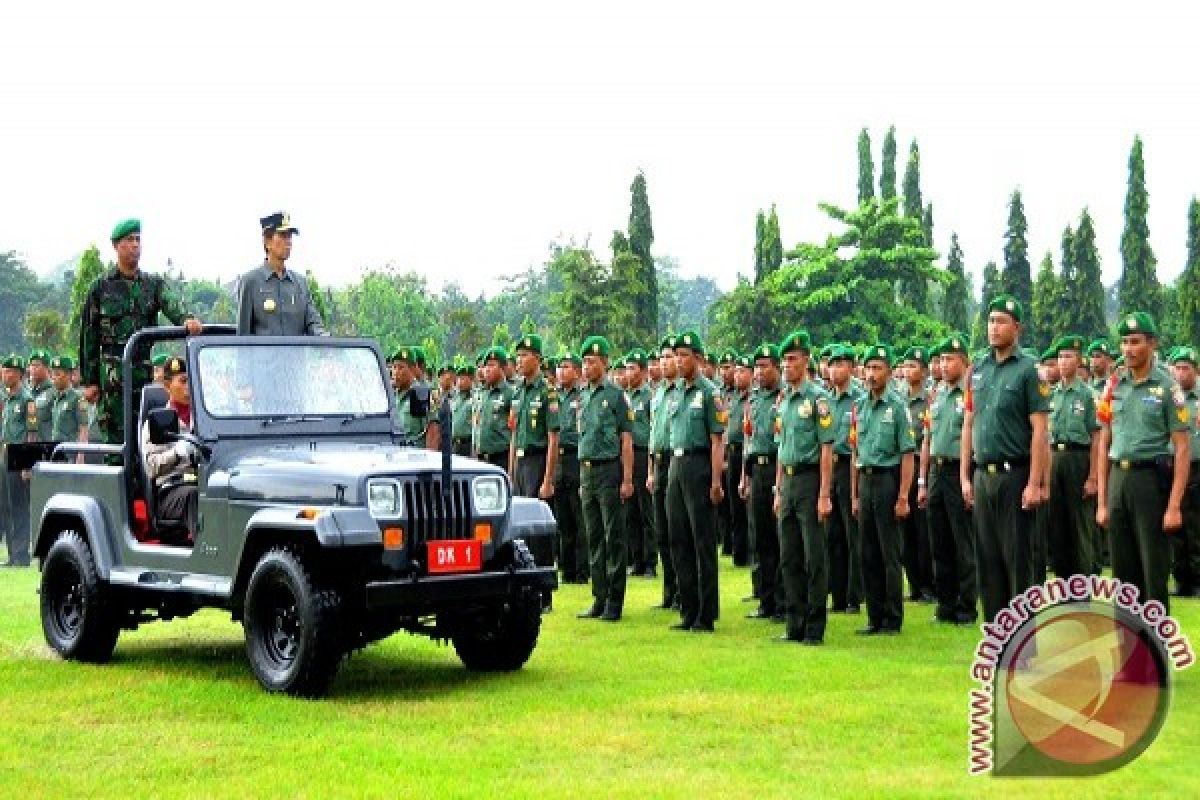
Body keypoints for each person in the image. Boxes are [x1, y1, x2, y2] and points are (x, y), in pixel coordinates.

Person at [960, 295, 1049, 624]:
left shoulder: (1029, 370)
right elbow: (969, 423)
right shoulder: (978, 369)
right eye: (990, 320)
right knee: (988, 560)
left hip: (1016, 475)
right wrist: (965, 477)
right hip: (984, 476)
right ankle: (996, 640)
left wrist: (1035, 483)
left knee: (1018, 562)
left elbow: (1040, 430)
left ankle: (1023, 645)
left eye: (1001, 322)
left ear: (1017, 328)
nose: (993, 327)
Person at [1096, 312, 1189, 613]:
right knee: (1123, 577)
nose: (1128, 349)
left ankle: (1157, 652)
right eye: (1124, 342)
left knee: (1153, 571)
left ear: (1152, 344)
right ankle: (1128, 652)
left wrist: (1174, 505)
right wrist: (1102, 501)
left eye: (1135, 342)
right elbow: (1104, 442)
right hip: (1118, 480)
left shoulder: (1167, 387)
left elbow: (1182, 448)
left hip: (1151, 482)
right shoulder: (1113, 385)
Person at [80, 219, 201, 445]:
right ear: (116, 246)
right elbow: (89, 335)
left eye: (138, 240)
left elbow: (172, 304)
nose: (135, 245)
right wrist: (91, 381)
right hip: (113, 376)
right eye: (129, 240)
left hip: (143, 372)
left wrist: (187, 319)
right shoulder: (101, 287)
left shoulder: (152, 284)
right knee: (117, 440)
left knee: (146, 434)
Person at [773, 331, 835, 644]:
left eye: (792, 360)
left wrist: (824, 494)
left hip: (811, 481)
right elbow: (781, 449)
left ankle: (814, 626)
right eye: (784, 360)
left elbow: (827, 449)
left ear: (805, 361)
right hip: (788, 482)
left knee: (814, 556)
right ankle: (793, 624)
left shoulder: (818, 398)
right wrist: (777, 489)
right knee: (790, 556)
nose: (787, 365)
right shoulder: (783, 401)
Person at [851, 344, 915, 634]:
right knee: (867, 551)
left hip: (888, 480)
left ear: (888, 372)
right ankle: (873, 616)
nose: (872, 374)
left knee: (889, 552)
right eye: (868, 368)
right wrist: (854, 494)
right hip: (865, 480)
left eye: (878, 368)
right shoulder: (860, 406)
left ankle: (892, 617)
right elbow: (854, 452)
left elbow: (907, 454)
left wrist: (903, 496)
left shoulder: (898, 406)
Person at [666, 331, 726, 632]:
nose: (679, 360)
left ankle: (706, 613)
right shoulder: (675, 391)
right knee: (678, 540)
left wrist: (716, 481)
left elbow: (717, 441)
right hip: (675, 465)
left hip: (699, 464)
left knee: (702, 542)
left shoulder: (710, 393)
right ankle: (687, 610)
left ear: (699, 359)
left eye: (685, 355)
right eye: (676, 355)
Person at [918, 335, 977, 625]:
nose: (944, 365)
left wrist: (968, 477)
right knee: (938, 540)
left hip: (958, 470)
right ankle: (945, 604)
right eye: (941, 360)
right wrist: (922, 480)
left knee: (962, 541)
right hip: (936, 472)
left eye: (950, 359)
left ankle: (966, 606)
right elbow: (927, 439)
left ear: (964, 362)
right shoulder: (937, 395)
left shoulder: (971, 394)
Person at [575, 336, 634, 622]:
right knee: (594, 537)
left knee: (614, 537)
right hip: (586, 472)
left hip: (609, 470)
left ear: (605, 363)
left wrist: (627, 478)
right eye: (584, 362)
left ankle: (615, 600)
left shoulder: (616, 395)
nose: (587, 367)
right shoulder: (583, 395)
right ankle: (598, 597)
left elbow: (626, 439)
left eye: (593, 362)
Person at [1045, 335, 1100, 578]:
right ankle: (1063, 584)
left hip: (1079, 459)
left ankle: (1082, 587)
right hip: (1055, 458)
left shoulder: (1087, 395)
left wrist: (1094, 476)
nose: (1063, 362)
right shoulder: (1050, 394)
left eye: (1068, 357)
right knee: (1057, 526)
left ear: (1079, 362)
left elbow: (1097, 437)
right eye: (1060, 357)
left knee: (1080, 527)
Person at [740, 344, 784, 620]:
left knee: (781, 540)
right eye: (756, 367)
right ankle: (765, 600)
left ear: (777, 368)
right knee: (761, 538)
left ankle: (783, 601)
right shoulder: (753, 400)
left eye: (765, 366)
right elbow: (748, 439)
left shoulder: (785, 397)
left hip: (778, 468)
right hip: (757, 468)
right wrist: (744, 478)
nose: (759, 372)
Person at [235, 212, 326, 336]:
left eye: (290, 237)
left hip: (296, 355)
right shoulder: (250, 282)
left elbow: (313, 323)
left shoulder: (300, 283)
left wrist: (324, 338)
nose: (288, 242)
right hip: (263, 355)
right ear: (267, 241)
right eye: (283, 236)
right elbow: (243, 336)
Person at [141, 357, 198, 545]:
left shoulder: (205, 418)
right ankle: (210, 561)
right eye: (183, 381)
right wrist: (177, 454)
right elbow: (151, 467)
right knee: (195, 496)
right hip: (171, 492)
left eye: (191, 379)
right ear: (167, 386)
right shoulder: (156, 422)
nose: (189, 385)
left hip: (205, 483)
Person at [826, 344, 865, 614]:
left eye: (841, 364)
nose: (835, 369)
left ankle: (854, 596)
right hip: (831, 468)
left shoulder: (860, 399)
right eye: (832, 364)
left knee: (854, 536)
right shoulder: (824, 400)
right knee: (833, 536)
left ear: (851, 368)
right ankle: (837, 596)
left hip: (852, 467)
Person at [647, 336, 680, 610]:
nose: (665, 362)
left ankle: (682, 591)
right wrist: (649, 471)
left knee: (677, 530)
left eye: (670, 356)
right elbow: (652, 435)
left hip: (675, 462)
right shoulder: (657, 394)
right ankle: (669, 592)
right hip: (658, 464)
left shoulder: (682, 392)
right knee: (662, 533)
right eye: (662, 358)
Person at [900, 346, 935, 603]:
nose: (908, 370)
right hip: (902, 468)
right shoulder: (898, 399)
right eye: (906, 366)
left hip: (922, 467)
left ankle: (928, 584)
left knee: (924, 531)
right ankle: (913, 584)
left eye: (914, 366)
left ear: (923, 372)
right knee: (905, 532)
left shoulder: (929, 399)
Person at [508, 334, 559, 500]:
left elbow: (553, 438)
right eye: (518, 355)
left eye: (524, 355)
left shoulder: (547, 392)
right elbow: (514, 434)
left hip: (536, 462)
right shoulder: (517, 392)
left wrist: (548, 480)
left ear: (537, 358)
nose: (519, 360)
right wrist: (510, 473)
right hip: (519, 463)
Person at [553, 354, 588, 584]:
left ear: (576, 372)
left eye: (566, 367)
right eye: (559, 367)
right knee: (563, 519)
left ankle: (582, 571)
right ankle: (567, 569)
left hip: (577, 458)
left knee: (579, 519)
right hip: (559, 459)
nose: (561, 371)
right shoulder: (553, 396)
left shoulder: (583, 396)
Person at [1169, 347, 1200, 597]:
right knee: (1177, 525)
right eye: (1177, 369)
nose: (1181, 374)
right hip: (1176, 466)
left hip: (1198, 467)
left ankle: (1198, 579)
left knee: (1196, 526)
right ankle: (1181, 579)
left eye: (1185, 368)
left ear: (1195, 370)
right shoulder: (1172, 397)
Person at [622, 350, 656, 577]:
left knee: (647, 512)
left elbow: (653, 430)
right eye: (626, 368)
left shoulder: (649, 396)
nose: (628, 372)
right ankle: (636, 560)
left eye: (633, 368)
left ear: (643, 372)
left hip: (644, 454)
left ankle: (650, 562)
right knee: (630, 512)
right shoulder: (624, 397)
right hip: (627, 455)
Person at [1, 356, 35, 566]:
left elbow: (31, 433)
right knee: (6, 506)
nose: (6, 375)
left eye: (10, 371)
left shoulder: (26, 399)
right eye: (4, 371)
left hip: (18, 456)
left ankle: (22, 554)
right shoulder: (6, 398)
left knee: (20, 506)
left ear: (20, 374)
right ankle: (12, 554)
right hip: (4, 455)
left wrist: (26, 463)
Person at [473, 347, 514, 467]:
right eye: (485, 366)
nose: (486, 370)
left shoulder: (510, 393)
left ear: (503, 368)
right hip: (480, 458)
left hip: (501, 458)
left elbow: (514, 431)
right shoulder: (482, 393)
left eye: (491, 365)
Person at [390, 348, 437, 449]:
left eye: (401, 367)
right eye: (394, 367)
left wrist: (431, 461)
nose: (395, 372)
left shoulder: (420, 395)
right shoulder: (393, 396)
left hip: (415, 458)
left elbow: (432, 432)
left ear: (412, 369)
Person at [48, 355, 89, 452]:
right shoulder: (55, 398)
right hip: (57, 451)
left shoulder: (78, 398)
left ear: (69, 375)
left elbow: (83, 428)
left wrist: (81, 455)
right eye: (52, 374)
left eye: (57, 374)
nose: (54, 378)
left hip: (70, 451)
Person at [26, 349, 55, 443]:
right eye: (31, 365)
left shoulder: (55, 392)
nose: (33, 368)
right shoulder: (26, 393)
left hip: (47, 447)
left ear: (47, 368)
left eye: (37, 365)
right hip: (26, 447)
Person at [449, 364, 475, 457]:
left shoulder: (475, 397)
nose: (459, 382)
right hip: (455, 444)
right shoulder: (455, 398)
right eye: (459, 379)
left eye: (463, 379)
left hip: (468, 444)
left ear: (471, 379)